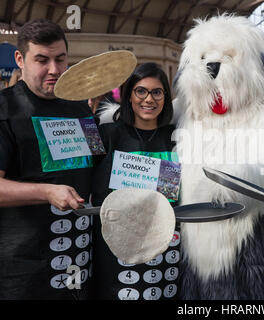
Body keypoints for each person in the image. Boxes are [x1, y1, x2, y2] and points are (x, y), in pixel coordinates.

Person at [0, 19, 96, 299]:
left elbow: (93, 163)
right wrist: (46, 191)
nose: (54, 70)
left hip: (77, 263)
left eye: (60, 59)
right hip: (24, 272)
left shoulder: (80, 107)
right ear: (20, 59)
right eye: (42, 60)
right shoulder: (5, 109)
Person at [91, 63, 180, 300]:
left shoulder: (177, 139)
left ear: (165, 98)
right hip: (115, 252)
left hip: (163, 253)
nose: (148, 99)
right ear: (129, 95)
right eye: (141, 91)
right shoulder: (106, 133)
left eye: (157, 92)